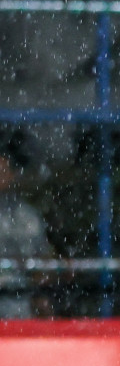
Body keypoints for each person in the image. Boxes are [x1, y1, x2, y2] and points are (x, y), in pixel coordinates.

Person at [0, 131, 50, 319]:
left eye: (3, 170)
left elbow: (41, 264)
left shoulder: (27, 217)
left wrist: (40, 298)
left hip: (16, 304)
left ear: (13, 174)